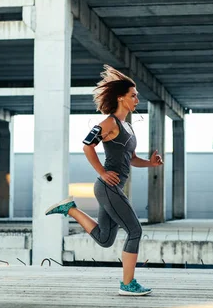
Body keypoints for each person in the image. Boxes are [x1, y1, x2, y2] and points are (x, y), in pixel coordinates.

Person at [45, 65, 163, 296]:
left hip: (112, 187)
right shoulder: (109, 123)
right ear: (121, 98)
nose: (137, 99)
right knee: (135, 231)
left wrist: (150, 164)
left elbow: (130, 159)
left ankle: (70, 209)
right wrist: (101, 171)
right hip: (107, 187)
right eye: (133, 95)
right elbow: (87, 145)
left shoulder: (128, 126)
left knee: (105, 238)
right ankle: (127, 284)